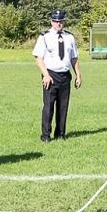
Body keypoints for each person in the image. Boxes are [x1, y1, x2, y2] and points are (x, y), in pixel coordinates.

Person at [32, 10, 82, 141]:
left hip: (65, 75)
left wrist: (78, 75)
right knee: (48, 106)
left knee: (63, 106)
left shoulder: (69, 37)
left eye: (61, 21)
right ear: (51, 21)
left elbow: (74, 58)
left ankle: (60, 134)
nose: (58, 23)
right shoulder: (44, 36)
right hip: (50, 75)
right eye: (56, 21)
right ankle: (45, 135)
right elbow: (38, 59)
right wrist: (46, 75)